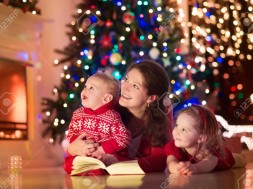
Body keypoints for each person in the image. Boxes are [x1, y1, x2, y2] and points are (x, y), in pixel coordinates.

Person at [66, 60, 174, 173]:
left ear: (151, 98)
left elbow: (160, 161)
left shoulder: (162, 112)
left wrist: (119, 161)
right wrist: (71, 149)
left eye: (135, 86)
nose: (124, 87)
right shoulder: (107, 108)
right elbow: (78, 147)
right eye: (126, 79)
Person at [64, 72, 131, 174]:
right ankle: (88, 168)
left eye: (92, 88)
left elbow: (123, 137)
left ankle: (97, 169)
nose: (85, 90)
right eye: (86, 86)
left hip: (104, 153)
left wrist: (101, 149)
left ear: (106, 98)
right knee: (67, 165)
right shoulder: (78, 114)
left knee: (108, 161)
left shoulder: (111, 116)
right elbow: (72, 132)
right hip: (84, 153)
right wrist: (79, 146)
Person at [165, 105, 235, 175]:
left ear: (200, 138)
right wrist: (177, 168)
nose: (176, 131)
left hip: (226, 157)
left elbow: (210, 162)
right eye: (177, 125)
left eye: (184, 130)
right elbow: (170, 162)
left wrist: (194, 168)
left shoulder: (208, 151)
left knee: (238, 160)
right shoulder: (174, 146)